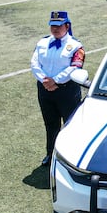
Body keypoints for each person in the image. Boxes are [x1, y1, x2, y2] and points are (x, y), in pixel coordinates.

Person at [31, 10, 85, 167]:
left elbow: (75, 67)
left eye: (58, 25)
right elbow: (34, 64)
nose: (55, 29)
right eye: (52, 26)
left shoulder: (76, 46)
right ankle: (51, 153)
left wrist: (56, 81)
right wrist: (45, 80)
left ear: (67, 26)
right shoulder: (42, 43)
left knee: (70, 124)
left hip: (67, 91)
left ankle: (73, 154)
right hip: (45, 90)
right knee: (50, 124)